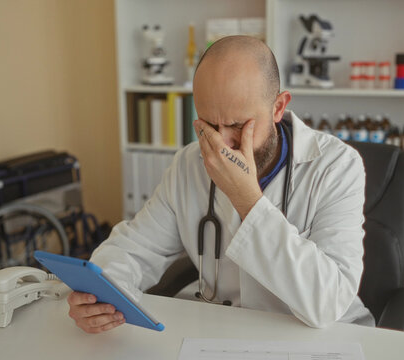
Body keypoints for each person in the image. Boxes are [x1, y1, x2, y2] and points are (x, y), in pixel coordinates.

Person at [67, 35, 375, 334]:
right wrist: (99, 293)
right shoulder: (189, 165)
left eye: (238, 125)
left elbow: (328, 303)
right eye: (209, 126)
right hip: (225, 334)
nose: (223, 144)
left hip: (322, 338)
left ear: (278, 107)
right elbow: (134, 249)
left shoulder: (336, 166)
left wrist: (247, 200)